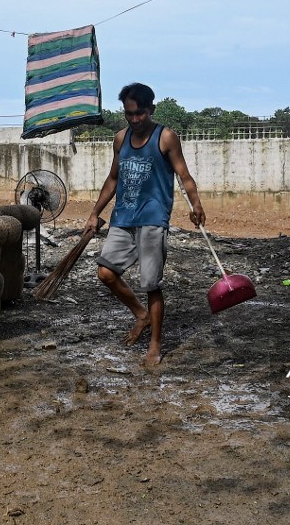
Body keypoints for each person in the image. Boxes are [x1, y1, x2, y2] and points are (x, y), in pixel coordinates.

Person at [84, 82, 206, 366]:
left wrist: (195, 203)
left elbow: (184, 175)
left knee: (151, 284)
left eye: (140, 113)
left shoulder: (165, 137)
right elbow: (113, 178)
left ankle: (155, 344)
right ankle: (141, 315)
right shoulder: (120, 139)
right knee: (106, 273)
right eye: (129, 114)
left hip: (153, 219)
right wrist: (94, 212)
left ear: (151, 110)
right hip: (123, 218)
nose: (135, 119)